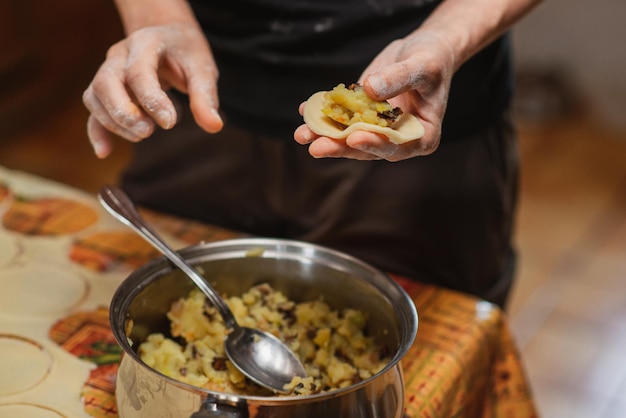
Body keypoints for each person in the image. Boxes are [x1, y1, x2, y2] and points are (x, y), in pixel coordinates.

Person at [83, 0, 541, 308]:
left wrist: (448, 38)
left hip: (420, 109)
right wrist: (156, 18)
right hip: (196, 94)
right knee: (167, 305)